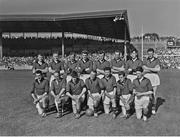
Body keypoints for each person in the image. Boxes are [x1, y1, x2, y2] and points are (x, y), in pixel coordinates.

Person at [143, 48, 161, 115]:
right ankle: (145, 107)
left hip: (154, 77)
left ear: (153, 53)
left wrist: (148, 69)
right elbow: (144, 69)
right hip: (147, 77)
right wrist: (153, 69)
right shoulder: (145, 60)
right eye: (149, 53)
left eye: (151, 53)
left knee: (153, 94)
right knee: (146, 93)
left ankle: (153, 108)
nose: (150, 54)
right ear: (147, 53)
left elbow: (157, 69)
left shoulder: (157, 60)